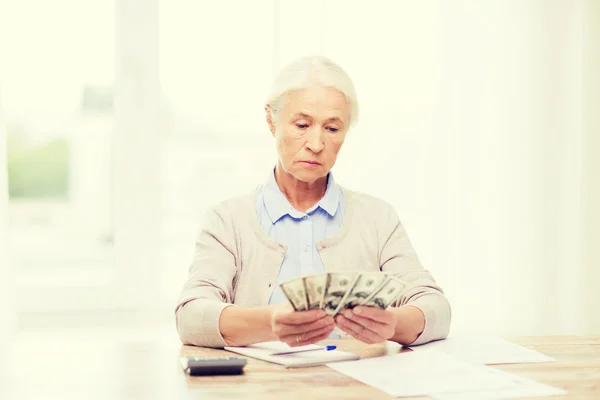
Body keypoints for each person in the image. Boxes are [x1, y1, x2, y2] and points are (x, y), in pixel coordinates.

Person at [175, 55, 451, 348]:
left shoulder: (378, 219)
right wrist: (270, 322)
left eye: (332, 129)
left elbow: (436, 309)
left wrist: (393, 323)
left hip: (353, 389)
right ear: (271, 121)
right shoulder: (226, 220)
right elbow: (191, 316)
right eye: (302, 125)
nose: (316, 144)